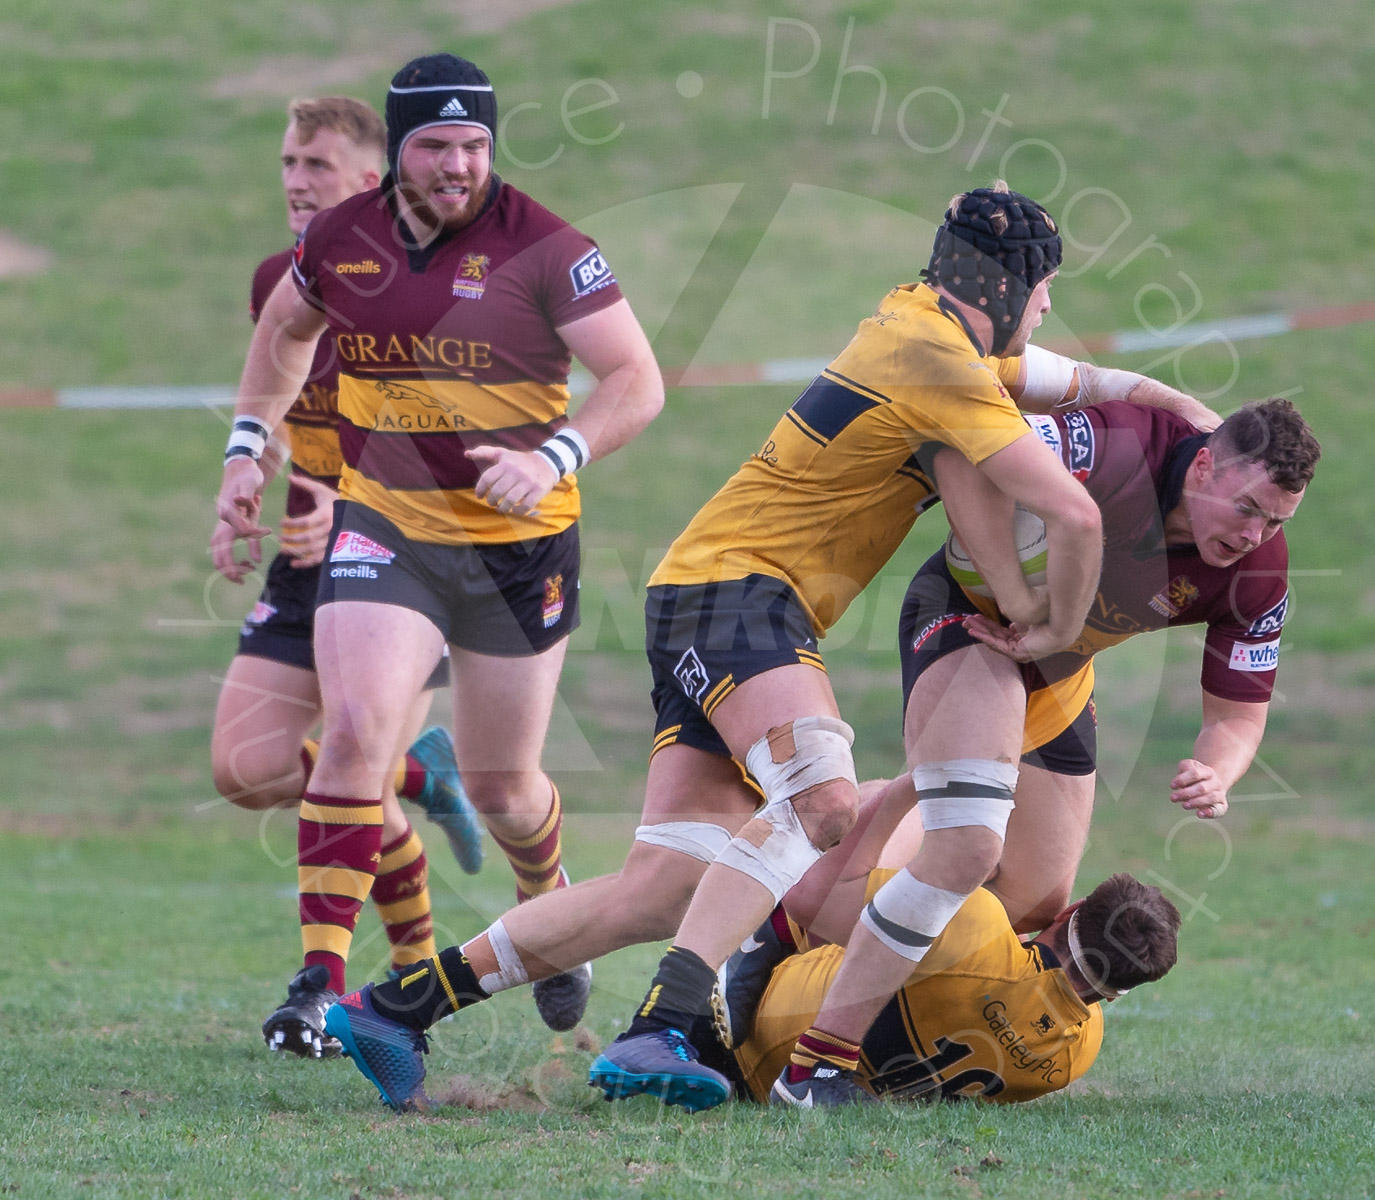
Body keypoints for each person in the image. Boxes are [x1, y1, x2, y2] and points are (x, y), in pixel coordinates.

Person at [315, 182, 1105, 1115]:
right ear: (1010, 284)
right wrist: (1053, 627)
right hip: (740, 596)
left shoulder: (919, 326)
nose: (1048, 306)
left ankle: (395, 1007)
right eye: (1046, 286)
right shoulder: (939, 358)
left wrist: (1167, 399)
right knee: (821, 795)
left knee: (662, 887)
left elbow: (1040, 380)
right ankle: (665, 1023)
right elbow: (1074, 508)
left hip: (710, 594)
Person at [213, 54, 664, 1050]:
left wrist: (556, 454)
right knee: (358, 730)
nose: (459, 165)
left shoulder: (545, 246)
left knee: (507, 785)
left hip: (517, 546)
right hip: (385, 528)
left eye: (475, 145)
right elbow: (285, 333)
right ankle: (319, 986)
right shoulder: (341, 237)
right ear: (400, 150)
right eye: (437, 146)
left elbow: (637, 378)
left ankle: (549, 901)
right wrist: (249, 449)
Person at [769, 396, 1320, 1104]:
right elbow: (953, 447)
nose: (1257, 534)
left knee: (1034, 902)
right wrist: (1020, 601)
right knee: (967, 843)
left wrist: (1218, 769)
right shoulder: (1114, 446)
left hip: (1059, 673)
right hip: (974, 622)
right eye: (1248, 509)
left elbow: (1238, 718)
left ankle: (866, 992)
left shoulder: (1259, 571)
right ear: (1206, 465)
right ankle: (809, 1037)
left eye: (1277, 520)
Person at [209, 95, 488, 1059]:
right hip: (305, 558)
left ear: (370, 180)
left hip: (409, 556)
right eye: (288, 161)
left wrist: (356, 493)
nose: (295, 179)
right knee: (243, 769)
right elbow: (286, 399)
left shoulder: (442, 284)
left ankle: (384, 995)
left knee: (346, 767)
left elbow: (468, 437)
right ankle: (425, 773)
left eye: (317, 165)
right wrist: (250, 482)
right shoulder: (277, 282)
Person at [692, 784, 1181, 1105]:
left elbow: (817, 896)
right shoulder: (1077, 1056)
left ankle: (761, 943)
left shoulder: (975, 922)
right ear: (1120, 991)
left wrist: (910, 787)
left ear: (1071, 911)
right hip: (770, 1088)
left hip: (740, 1035)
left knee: (939, 835)